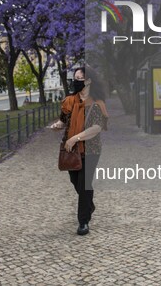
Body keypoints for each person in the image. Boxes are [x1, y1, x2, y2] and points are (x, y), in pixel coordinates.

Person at [50, 66, 108, 236]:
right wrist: (56, 126)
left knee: (84, 184)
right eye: (74, 78)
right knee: (75, 180)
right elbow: (63, 120)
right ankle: (89, 204)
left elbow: (96, 128)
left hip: (91, 149)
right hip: (72, 150)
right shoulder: (69, 101)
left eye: (79, 78)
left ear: (88, 81)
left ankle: (83, 221)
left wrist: (75, 138)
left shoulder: (97, 104)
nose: (75, 81)